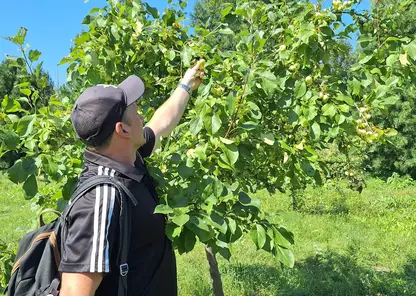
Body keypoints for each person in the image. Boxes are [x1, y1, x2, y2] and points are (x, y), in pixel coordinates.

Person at [59, 60, 205, 296]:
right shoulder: (100, 199)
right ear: (122, 130)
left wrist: (186, 84)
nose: (142, 116)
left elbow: (161, 124)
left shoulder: (128, 156)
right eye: (136, 111)